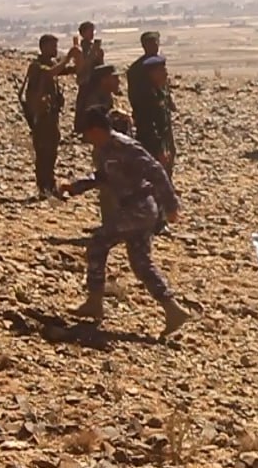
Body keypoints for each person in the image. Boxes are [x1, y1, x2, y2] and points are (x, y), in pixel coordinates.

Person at [60, 105, 190, 339]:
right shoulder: (103, 150)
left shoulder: (125, 146)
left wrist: (171, 206)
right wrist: (75, 187)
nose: (87, 139)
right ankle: (173, 310)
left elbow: (156, 171)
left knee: (98, 244)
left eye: (88, 133)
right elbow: (102, 177)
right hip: (132, 209)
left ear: (96, 130)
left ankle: (94, 302)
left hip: (139, 208)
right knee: (141, 264)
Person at [23, 34, 81, 197]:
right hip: (41, 116)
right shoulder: (36, 66)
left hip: (51, 115)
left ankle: (50, 183)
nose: (55, 49)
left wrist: (78, 56)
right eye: (52, 46)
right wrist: (68, 57)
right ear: (43, 47)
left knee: (52, 149)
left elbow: (74, 70)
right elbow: (50, 73)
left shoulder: (52, 64)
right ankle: (43, 186)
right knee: (43, 150)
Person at [129, 55, 176, 179]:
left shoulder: (159, 91)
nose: (165, 74)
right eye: (161, 71)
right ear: (152, 74)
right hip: (151, 144)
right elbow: (148, 125)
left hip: (162, 140)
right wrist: (159, 150)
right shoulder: (146, 96)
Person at [125, 31, 160, 105]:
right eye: (151, 44)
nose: (156, 46)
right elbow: (134, 94)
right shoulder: (136, 68)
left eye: (156, 43)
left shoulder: (159, 63)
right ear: (144, 46)